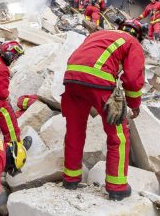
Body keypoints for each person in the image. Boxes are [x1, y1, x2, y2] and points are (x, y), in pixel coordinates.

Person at [61, 19, 145, 201]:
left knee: (75, 131)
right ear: (138, 35)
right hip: (98, 80)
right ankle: (117, 187)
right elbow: (132, 79)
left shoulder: (98, 35)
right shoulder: (133, 43)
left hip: (71, 78)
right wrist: (134, 103)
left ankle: (70, 178)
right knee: (118, 136)